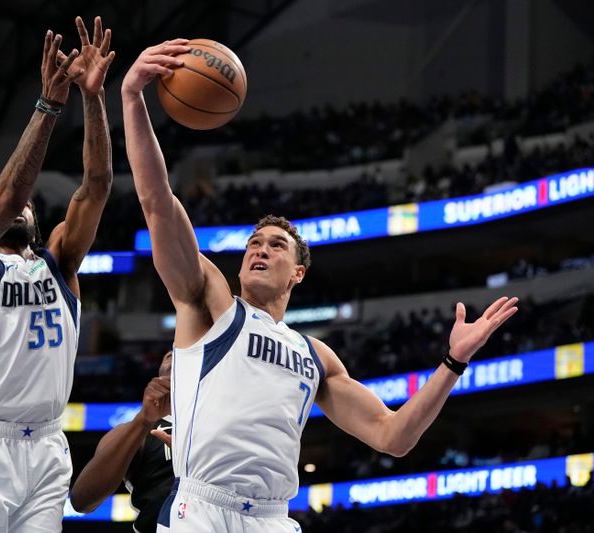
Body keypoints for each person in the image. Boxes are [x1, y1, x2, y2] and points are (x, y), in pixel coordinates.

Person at [120, 40, 519, 532]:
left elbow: (393, 436)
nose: (259, 250)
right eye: (253, 243)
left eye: (275, 246)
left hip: (272, 519)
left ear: (298, 273)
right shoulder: (211, 304)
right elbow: (158, 201)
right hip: (202, 510)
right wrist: (132, 97)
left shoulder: (316, 356)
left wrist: (452, 362)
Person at [0, 16, 115, 533]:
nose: (11, 205)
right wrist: (49, 104)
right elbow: (11, 193)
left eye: (22, 205)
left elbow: (98, 184)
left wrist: (93, 97)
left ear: (36, 221)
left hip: (48, 448)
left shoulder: (59, 261)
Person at [70, 350, 175, 532]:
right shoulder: (137, 429)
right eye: (170, 355)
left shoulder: (223, 421)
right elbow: (82, 501)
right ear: (158, 372)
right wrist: (143, 420)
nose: (177, 356)